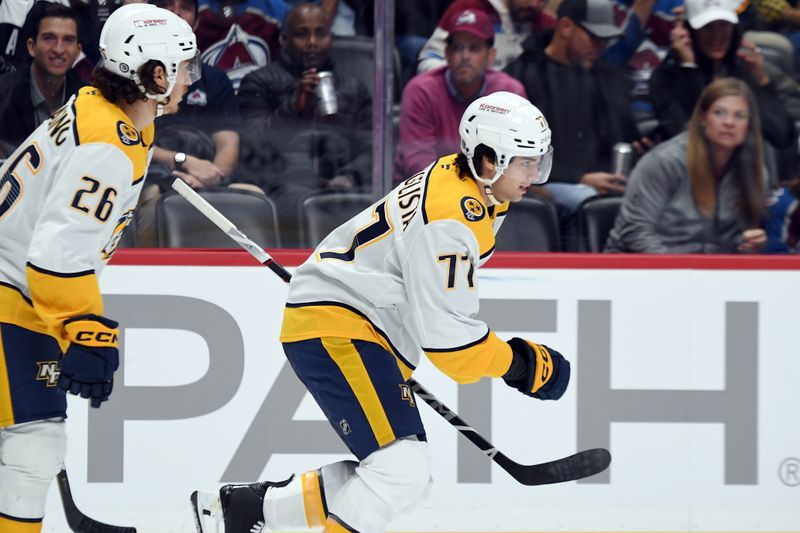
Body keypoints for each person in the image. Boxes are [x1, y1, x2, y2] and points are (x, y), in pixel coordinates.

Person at [190, 91, 571, 533]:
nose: (534, 174)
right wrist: (521, 365)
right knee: (400, 470)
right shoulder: (452, 218)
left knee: (401, 474)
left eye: (538, 161)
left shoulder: (465, 180)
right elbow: (452, 345)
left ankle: (242, 512)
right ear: (488, 160)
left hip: (355, 323)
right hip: (339, 325)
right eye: (526, 162)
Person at [0, 4, 197, 531]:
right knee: (34, 439)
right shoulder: (110, 144)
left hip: (18, 294)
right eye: (184, 67)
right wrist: (86, 331)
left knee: (31, 439)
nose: (189, 79)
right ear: (155, 74)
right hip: (12, 294)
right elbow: (55, 257)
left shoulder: (96, 106)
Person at [504, 0, 644, 250]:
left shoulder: (611, 78)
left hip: (608, 183)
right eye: (594, 37)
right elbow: (518, 153)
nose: (600, 47)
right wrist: (580, 178)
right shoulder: (521, 75)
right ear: (566, 27)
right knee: (584, 197)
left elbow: (626, 138)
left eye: (605, 40)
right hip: (547, 182)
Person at [237, 1, 372, 246]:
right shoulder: (259, 82)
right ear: (284, 40)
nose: (312, 42)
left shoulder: (353, 87)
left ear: (331, 37)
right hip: (284, 187)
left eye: (320, 33)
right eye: (302, 34)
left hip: (344, 185)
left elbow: (375, 148)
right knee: (304, 204)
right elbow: (252, 148)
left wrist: (350, 176)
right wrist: (292, 109)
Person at [605, 78, 768, 253]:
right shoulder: (663, 161)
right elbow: (635, 232)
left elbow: (732, 243)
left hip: (706, 274)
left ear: (748, 126)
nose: (729, 122)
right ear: (702, 119)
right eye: (720, 113)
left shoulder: (755, 173)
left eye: (739, 116)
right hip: (639, 269)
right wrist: (680, 273)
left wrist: (751, 244)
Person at [136, 0, 244, 246]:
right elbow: (134, 143)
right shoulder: (135, 76)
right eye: (167, 5)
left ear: (196, 22)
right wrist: (184, 161)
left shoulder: (216, 81)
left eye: (184, 6)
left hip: (207, 175)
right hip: (152, 177)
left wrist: (209, 176)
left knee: (253, 196)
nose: (175, 13)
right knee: (153, 197)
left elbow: (229, 146)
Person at [393, 7, 527, 180]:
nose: (465, 56)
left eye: (474, 48)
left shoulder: (509, 94)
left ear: (491, 55)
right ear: (447, 54)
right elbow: (419, 164)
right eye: (457, 48)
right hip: (423, 192)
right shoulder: (421, 90)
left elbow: (516, 159)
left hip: (488, 192)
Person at [649, 0, 796, 150]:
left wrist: (762, 82)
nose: (717, 35)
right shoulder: (666, 78)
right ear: (689, 31)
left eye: (724, 25)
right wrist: (689, 68)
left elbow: (783, 135)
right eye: (707, 27)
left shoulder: (746, 69)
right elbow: (686, 137)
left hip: (746, 167)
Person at [0, 2, 86, 148]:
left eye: (68, 40)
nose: (59, 49)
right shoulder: (2, 95)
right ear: (31, 46)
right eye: (49, 38)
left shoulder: (88, 99)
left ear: (77, 51)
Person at [417, 0, 557, 74]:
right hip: (463, 98)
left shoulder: (547, 26)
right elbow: (428, 60)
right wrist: (461, 79)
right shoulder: (470, 7)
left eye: (542, 0)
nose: (533, 4)